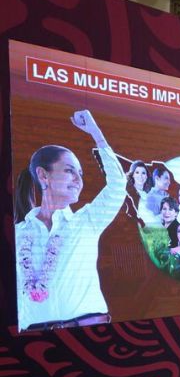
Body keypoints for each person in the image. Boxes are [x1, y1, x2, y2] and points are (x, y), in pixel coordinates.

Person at [14, 109, 126, 331]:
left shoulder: (87, 221)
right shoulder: (18, 233)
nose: (78, 180)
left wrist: (96, 133)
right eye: (69, 171)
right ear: (43, 175)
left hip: (89, 333)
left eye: (81, 174)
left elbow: (117, 185)